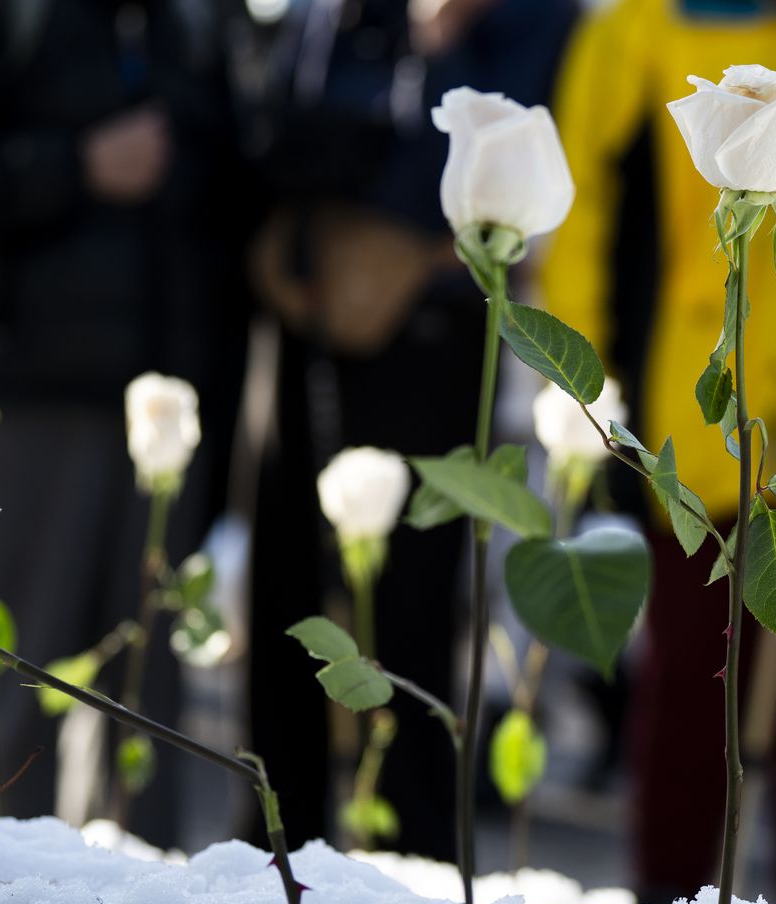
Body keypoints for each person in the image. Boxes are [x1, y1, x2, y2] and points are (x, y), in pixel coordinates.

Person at [542, 0, 776, 904]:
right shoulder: (631, 31)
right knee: (693, 673)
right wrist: (581, 385)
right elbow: (581, 208)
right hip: (697, 401)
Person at [0, 0, 248, 845]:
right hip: (24, 402)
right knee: (4, 694)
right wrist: (73, 168)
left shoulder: (190, 23)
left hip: (161, 418)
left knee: (147, 713)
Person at [244, 0, 578, 855]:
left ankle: (412, 844)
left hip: (428, 325)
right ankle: (279, 831)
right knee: (290, 579)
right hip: (314, 305)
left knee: (412, 600)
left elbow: (486, 157)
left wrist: (431, 55)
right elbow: (282, 120)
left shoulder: (520, 17)